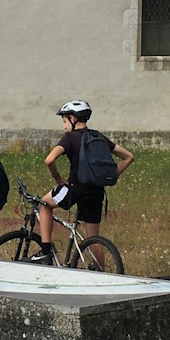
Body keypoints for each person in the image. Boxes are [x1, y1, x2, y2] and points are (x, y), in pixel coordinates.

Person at [33, 99, 134, 263]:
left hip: (75, 188)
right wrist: (111, 176)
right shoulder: (98, 137)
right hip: (97, 191)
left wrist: (58, 178)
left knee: (44, 204)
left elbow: (49, 160)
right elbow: (129, 157)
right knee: (93, 237)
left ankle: (45, 253)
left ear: (73, 118)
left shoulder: (70, 137)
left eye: (65, 120)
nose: (64, 125)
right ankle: (102, 274)